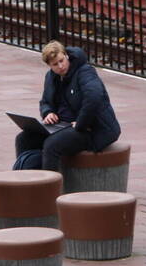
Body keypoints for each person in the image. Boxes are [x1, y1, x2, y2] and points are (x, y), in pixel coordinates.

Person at [15, 41, 121, 171]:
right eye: (55, 64)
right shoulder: (51, 77)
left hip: (91, 129)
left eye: (62, 60)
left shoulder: (84, 71)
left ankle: (50, 188)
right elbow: (45, 101)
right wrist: (48, 113)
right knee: (24, 138)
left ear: (66, 55)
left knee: (51, 145)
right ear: (49, 66)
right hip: (62, 125)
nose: (60, 66)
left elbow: (94, 98)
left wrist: (81, 123)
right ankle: (25, 182)